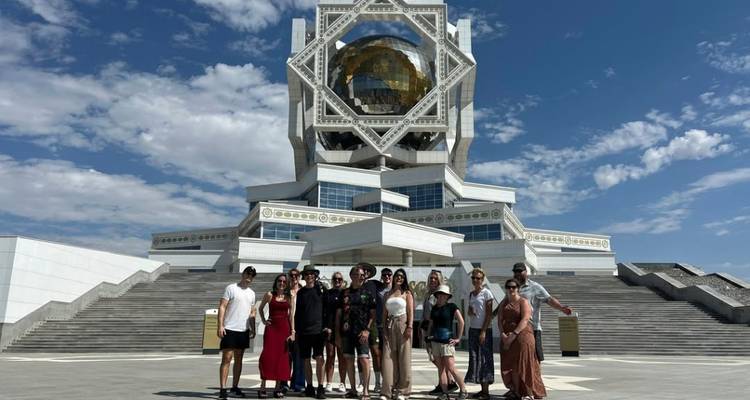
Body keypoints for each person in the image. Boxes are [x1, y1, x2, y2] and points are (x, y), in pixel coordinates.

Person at [512, 262, 572, 362]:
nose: (517, 274)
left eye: (520, 271)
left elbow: (549, 299)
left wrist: (561, 307)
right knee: (520, 358)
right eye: (515, 272)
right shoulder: (512, 288)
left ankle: (536, 377)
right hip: (516, 327)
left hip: (532, 328)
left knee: (535, 357)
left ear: (526, 272)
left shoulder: (535, 287)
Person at [497, 278, 546, 400]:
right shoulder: (504, 303)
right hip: (507, 336)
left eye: (513, 287)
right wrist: (503, 334)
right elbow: (499, 320)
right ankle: (517, 392)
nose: (511, 289)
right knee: (512, 365)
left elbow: (525, 320)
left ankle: (529, 393)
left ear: (518, 289)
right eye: (508, 287)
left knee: (525, 364)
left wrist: (513, 335)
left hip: (523, 336)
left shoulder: (523, 301)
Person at [337, 263, 377, 400]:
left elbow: (372, 314)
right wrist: (337, 334)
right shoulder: (344, 293)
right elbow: (339, 315)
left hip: (362, 332)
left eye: (361, 275)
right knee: (349, 360)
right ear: (351, 276)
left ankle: (365, 390)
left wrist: (367, 330)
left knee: (364, 359)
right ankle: (353, 389)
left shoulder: (368, 293)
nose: (358, 277)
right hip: (347, 332)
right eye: (355, 275)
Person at [217, 266, 257, 399]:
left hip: (243, 330)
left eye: (252, 275)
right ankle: (223, 389)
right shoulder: (231, 288)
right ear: (243, 274)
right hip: (230, 328)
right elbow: (222, 306)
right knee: (227, 358)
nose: (249, 277)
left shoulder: (252, 293)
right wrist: (220, 325)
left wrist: (252, 328)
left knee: (239, 359)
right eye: (247, 273)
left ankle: (235, 386)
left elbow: (252, 312)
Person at [258, 274, 296, 398]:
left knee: (282, 357)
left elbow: (291, 316)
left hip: (284, 329)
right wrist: (264, 320)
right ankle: (262, 386)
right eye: (280, 281)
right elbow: (260, 308)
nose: (282, 283)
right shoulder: (269, 295)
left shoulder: (289, 297)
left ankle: (277, 387)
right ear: (276, 282)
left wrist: (293, 332)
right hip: (272, 328)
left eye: (284, 282)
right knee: (267, 356)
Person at [427, 285, 467, 400]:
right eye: (439, 294)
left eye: (443, 294)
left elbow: (461, 322)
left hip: (447, 341)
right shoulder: (434, 308)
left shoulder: (452, 307)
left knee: (451, 367)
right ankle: (445, 393)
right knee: (441, 368)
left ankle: (463, 389)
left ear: (447, 296)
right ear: (437, 295)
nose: (441, 296)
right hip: (435, 341)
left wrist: (458, 338)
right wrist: (428, 338)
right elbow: (430, 324)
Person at [421, 270, 457, 395]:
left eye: (435, 278)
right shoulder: (428, 294)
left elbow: (437, 314)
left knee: (439, 359)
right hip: (427, 327)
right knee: (434, 358)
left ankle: (449, 382)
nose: (432, 280)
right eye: (431, 278)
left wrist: (431, 332)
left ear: (439, 280)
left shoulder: (437, 296)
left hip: (436, 331)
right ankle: (444, 382)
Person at [381, 268, 413, 400]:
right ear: (393, 278)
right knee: (388, 358)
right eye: (397, 276)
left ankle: (402, 391)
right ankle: (387, 391)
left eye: (402, 276)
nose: (399, 278)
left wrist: (410, 326)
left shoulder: (407, 293)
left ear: (404, 279)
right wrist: (384, 328)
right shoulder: (387, 294)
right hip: (389, 325)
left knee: (403, 358)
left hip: (403, 324)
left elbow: (410, 312)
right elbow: (384, 314)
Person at [296, 265, 327, 399]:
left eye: (311, 274)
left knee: (320, 358)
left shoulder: (321, 290)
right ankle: (309, 386)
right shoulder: (301, 292)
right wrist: (296, 330)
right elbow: (298, 313)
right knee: (306, 360)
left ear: (315, 276)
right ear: (304, 276)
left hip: (319, 330)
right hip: (304, 331)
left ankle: (320, 387)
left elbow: (327, 310)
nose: (309, 276)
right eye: (307, 274)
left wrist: (327, 326)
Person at [464, 268, 494, 400]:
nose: (475, 280)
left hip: (484, 329)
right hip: (473, 329)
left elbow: (489, 315)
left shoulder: (487, 293)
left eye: (478, 278)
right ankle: (481, 389)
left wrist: (483, 331)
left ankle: (486, 391)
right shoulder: (471, 294)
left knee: (485, 359)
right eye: (473, 278)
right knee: (475, 358)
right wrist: (470, 311)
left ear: (483, 279)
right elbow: (470, 311)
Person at [362, 265, 386, 393]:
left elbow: (387, 287)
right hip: (359, 323)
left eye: (366, 271)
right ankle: (362, 382)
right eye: (362, 270)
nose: (364, 273)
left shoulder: (375, 284)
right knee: (362, 355)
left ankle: (378, 382)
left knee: (376, 353)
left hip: (374, 323)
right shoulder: (355, 286)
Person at [324, 271, 346, 393]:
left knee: (342, 357)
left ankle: (342, 382)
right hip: (330, 329)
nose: (337, 281)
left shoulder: (346, 293)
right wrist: (326, 327)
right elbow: (325, 312)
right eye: (335, 279)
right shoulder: (328, 293)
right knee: (330, 356)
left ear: (342, 280)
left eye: (339, 279)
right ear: (332, 280)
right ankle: (329, 382)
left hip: (343, 330)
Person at [288, 268, 306, 392]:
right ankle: (283, 382)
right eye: (292, 275)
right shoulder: (285, 291)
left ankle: (298, 383)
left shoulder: (303, 291)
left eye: (296, 275)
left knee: (300, 357)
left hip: (300, 327)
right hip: (286, 326)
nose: (294, 277)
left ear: (299, 277)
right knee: (286, 357)